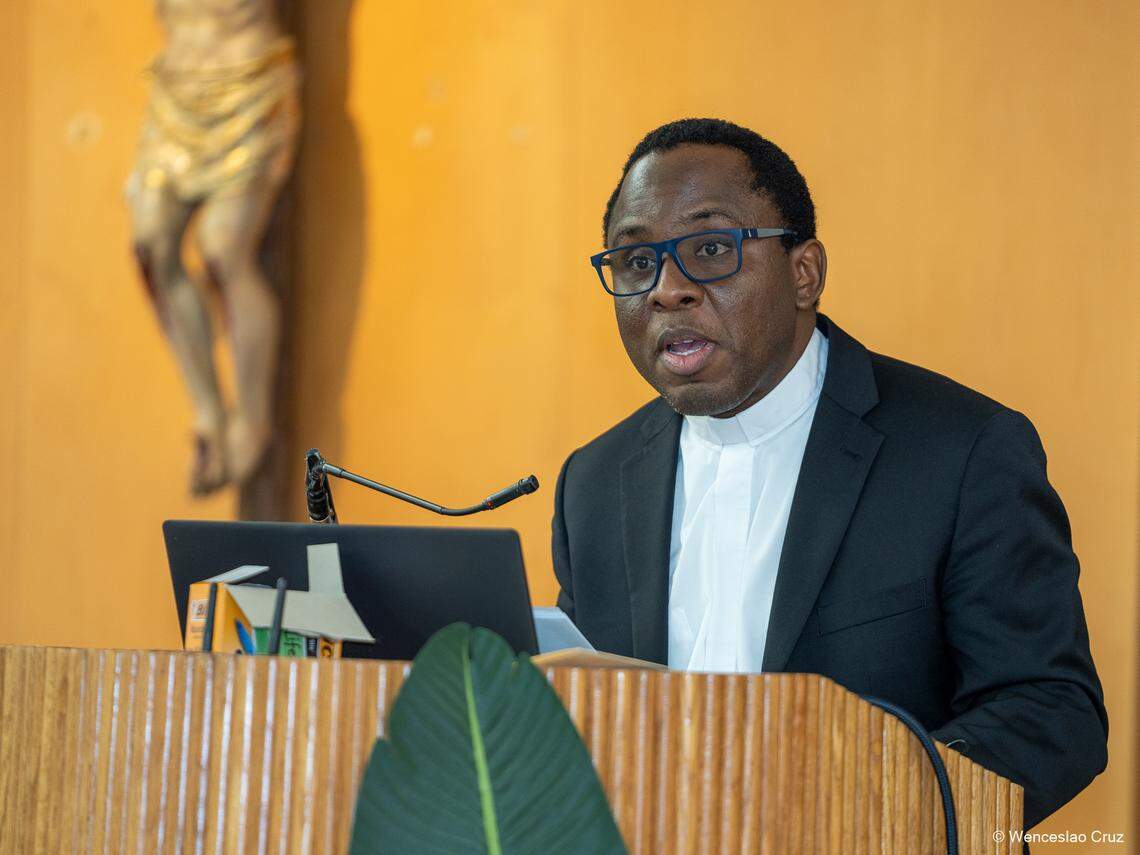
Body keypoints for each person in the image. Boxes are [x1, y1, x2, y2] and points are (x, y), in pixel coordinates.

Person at [552, 117, 1107, 828]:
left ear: (804, 272)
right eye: (636, 263)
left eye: (712, 249)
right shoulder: (592, 483)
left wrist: (855, 808)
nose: (667, 290)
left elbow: (1052, 712)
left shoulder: (961, 451)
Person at [127, 0, 300, 495]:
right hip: (176, 89)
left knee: (223, 248)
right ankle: (208, 413)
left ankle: (252, 420)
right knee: (150, 243)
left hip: (250, 78)